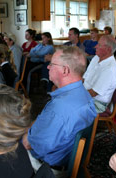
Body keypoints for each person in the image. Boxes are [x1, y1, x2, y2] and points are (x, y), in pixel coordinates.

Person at [22, 46, 97, 178]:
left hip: (48, 169)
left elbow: (28, 144)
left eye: (51, 64)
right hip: (68, 160)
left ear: (65, 70)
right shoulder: (84, 95)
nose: (47, 67)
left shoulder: (59, 108)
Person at [83, 35, 116, 113]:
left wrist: (74, 94)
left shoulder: (110, 69)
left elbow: (93, 93)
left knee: (67, 106)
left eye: (99, 45)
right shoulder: (96, 58)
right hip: (86, 95)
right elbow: (84, 78)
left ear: (108, 49)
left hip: (96, 103)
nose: (95, 46)